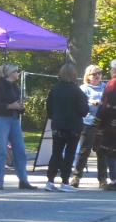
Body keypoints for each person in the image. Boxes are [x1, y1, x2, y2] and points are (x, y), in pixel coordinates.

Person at [0, 63, 36, 190]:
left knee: (20, 150)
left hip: (14, 119)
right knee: (1, 151)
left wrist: (20, 107)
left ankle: (23, 180)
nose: (18, 73)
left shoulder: (14, 86)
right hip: (1, 119)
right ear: (10, 73)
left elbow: (17, 103)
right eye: (16, 71)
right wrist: (9, 106)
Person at [45, 64, 89, 192]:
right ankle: (64, 181)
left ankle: (50, 180)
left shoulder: (55, 88)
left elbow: (49, 108)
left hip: (58, 125)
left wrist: (54, 117)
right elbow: (83, 111)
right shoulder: (77, 91)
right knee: (69, 154)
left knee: (56, 153)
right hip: (73, 126)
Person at [71, 65, 109, 189]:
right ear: (88, 76)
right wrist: (90, 102)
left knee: (102, 151)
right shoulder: (83, 89)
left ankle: (102, 180)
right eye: (94, 74)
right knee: (84, 150)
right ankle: (76, 177)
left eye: (99, 73)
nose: (98, 76)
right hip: (88, 122)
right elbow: (79, 104)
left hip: (103, 123)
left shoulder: (106, 87)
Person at [92, 59, 116, 191]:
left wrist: (97, 122)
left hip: (110, 125)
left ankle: (113, 180)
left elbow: (105, 106)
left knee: (108, 151)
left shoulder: (112, 84)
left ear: (113, 70)